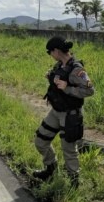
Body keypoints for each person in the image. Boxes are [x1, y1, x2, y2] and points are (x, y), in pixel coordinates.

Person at [32, 36, 94, 187]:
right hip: (56, 112)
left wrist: (67, 88)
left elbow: (90, 90)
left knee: (69, 150)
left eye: (50, 52)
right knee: (41, 140)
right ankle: (51, 168)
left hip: (70, 115)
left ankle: (74, 182)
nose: (50, 55)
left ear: (56, 51)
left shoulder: (77, 69)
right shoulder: (60, 65)